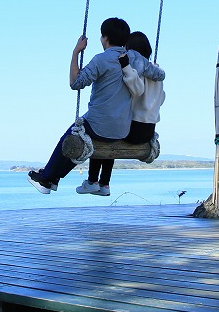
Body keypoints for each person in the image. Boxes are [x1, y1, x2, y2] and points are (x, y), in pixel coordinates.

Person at [27, 18, 163, 194]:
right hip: (122, 130)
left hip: (98, 125)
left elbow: (75, 83)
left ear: (104, 38)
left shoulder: (101, 60)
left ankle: (47, 178)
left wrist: (76, 52)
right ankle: (53, 178)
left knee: (70, 136)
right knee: (77, 140)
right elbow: (159, 75)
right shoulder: (135, 58)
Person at [76, 31, 165, 196]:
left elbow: (136, 90)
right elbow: (162, 99)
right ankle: (104, 184)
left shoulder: (133, 69)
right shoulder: (155, 70)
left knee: (105, 131)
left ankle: (93, 181)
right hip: (149, 130)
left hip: (134, 129)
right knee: (112, 130)